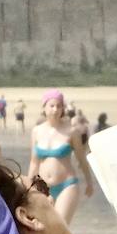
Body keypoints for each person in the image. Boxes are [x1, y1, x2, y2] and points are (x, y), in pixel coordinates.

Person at [30, 89, 94, 223]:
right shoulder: (37, 131)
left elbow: (81, 159)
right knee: (44, 231)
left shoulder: (71, 132)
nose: (55, 109)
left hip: (67, 185)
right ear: (44, 107)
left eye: (59, 106)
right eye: (52, 106)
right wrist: (27, 187)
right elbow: (34, 163)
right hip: (42, 186)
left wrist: (89, 182)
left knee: (60, 227)